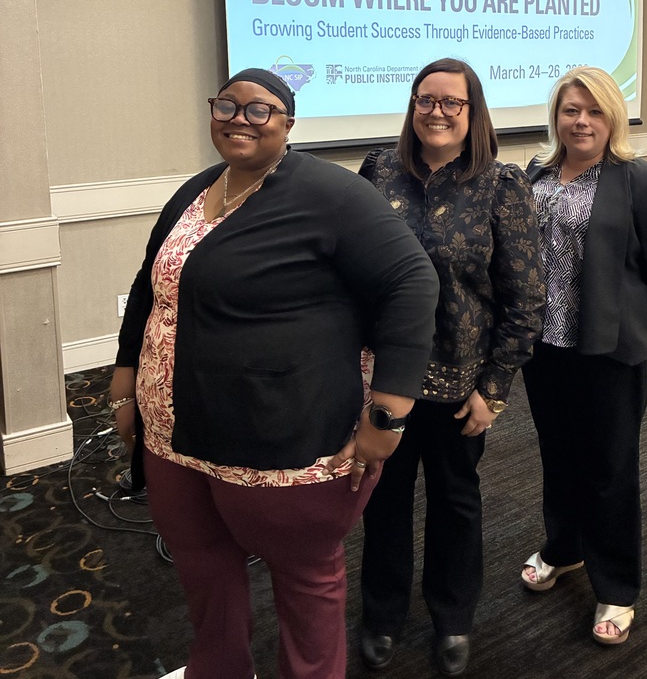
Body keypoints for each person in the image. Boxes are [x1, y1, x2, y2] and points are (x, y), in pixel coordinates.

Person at [108, 68, 440, 679]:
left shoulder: (329, 193)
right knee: (202, 564)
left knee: (305, 579)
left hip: (280, 441)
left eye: (259, 109)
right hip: (172, 436)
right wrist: (126, 376)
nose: (240, 118)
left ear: (288, 123)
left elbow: (412, 282)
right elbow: (151, 284)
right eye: (227, 105)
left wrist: (388, 415)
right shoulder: (197, 189)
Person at [341, 57, 544, 676]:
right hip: (385, 381)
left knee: (456, 501)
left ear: (472, 112)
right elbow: (350, 270)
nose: (436, 111)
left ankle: (453, 618)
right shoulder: (379, 171)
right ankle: (382, 613)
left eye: (451, 102)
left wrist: (495, 388)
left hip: (461, 383)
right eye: (425, 99)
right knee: (383, 497)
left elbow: (525, 298)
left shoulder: (501, 185)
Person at [521, 66, 647, 646]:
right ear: (556, 117)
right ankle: (564, 548)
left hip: (612, 349)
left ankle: (617, 586)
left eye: (594, 110)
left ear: (613, 117)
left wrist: (639, 317)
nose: (581, 121)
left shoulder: (641, 180)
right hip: (546, 347)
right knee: (558, 453)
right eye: (571, 110)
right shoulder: (536, 174)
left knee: (609, 466)